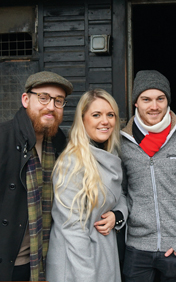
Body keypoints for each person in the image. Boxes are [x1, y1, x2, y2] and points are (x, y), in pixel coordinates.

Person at [120, 70, 176, 282]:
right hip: (136, 248)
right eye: (146, 99)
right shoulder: (123, 143)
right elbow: (120, 192)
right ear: (136, 103)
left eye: (160, 99)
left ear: (167, 101)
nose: (154, 106)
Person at [46, 89, 128, 282]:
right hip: (77, 265)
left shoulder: (111, 156)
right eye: (96, 115)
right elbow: (72, 230)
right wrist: (86, 277)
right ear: (82, 120)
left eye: (110, 115)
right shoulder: (72, 163)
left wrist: (118, 215)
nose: (105, 121)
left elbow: (120, 195)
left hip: (103, 256)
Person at [0, 71, 73, 281]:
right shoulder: (3, 139)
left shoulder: (60, 144)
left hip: (44, 260)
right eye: (43, 97)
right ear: (25, 99)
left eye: (58, 101)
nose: (51, 106)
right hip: (9, 264)